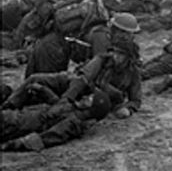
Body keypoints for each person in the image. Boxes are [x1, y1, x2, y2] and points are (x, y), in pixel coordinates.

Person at [4, 14, 142, 118]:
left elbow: (135, 99)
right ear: (120, 31)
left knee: (37, 97)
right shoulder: (103, 46)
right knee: (34, 83)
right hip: (66, 71)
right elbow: (84, 77)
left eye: (120, 54)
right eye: (130, 33)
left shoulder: (133, 70)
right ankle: (7, 105)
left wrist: (128, 109)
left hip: (84, 92)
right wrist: (66, 100)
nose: (115, 56)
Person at [1, 89, 111, 151]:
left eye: (90, 99)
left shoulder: (72, 123)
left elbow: (47, 137)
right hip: (16, 116)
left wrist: (12, 144)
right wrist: (44, 91)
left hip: (14, 124)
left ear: (91, 109)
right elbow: (57, 108)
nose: (85, 97)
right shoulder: (74, 108)